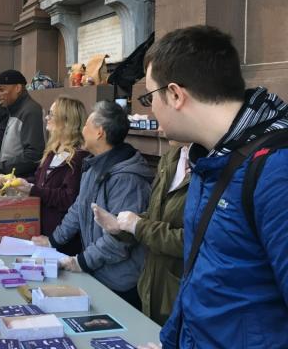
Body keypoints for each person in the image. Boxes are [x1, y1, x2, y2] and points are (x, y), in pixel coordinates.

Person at [139, 26, 288, 349]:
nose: (150, 108)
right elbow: (201, 282)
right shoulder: (209, 161)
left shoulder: (276, 170)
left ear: (176, 95)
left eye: (150, 96)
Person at [32, 101, 152, 309]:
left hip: (119, 281)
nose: (82, 129)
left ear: (99, 133)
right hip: (98, 271)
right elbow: (79, 209)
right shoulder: (94, 165)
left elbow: (120, 239)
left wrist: (82, 262)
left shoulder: (127, 179)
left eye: (87, 124)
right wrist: (53, 241)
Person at [92, 141, 189, 325]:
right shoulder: (171, 158)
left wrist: (138, 226)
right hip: (152, 288)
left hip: (179, 296)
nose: (158, 125)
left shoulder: (208, 165)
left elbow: (195, 241)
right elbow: (155, 216)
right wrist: (120, 227)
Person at [11, 97, 90, 256]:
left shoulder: (78, 158)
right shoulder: (52, 152)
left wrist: (32, 189)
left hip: (63, 239)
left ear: (67, 121)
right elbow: (40, 181)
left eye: (52, 114)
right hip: (42, 232)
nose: (47, 117)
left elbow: (68, 199)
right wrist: (14, 181)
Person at [0, 70, 45, 178]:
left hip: (23, 181)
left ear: (17, 88)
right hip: (13, 180)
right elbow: (13, 152)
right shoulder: (15, 110)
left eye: (1, 89)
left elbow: (33, 155)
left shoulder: (30, 111)